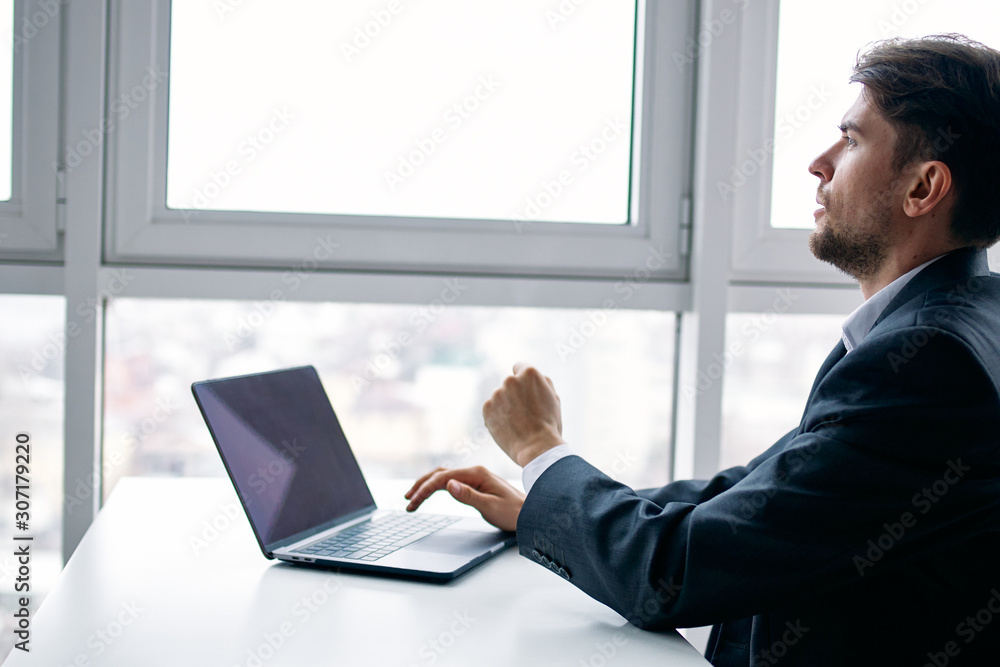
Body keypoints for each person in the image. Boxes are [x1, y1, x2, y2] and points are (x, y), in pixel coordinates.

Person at [405, 34, 1000, 666]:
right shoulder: (959, 319)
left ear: (924, 188)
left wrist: (539, 448)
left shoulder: (929, 362)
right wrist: (548, 506)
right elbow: (763, 490)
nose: (819, 163)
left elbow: (676, 573)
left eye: (852, 141)